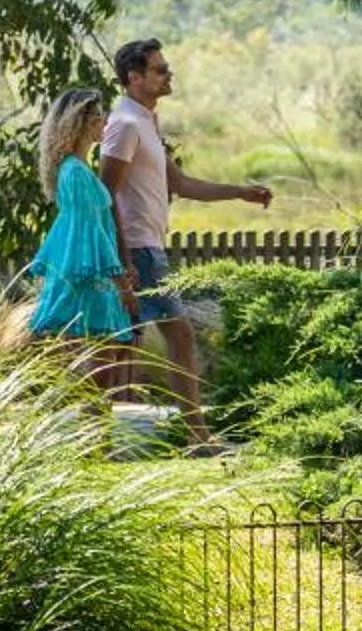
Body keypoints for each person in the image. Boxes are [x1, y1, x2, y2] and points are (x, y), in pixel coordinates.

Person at [99, 37, 272, 446]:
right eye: (159, 70)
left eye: (166, 67)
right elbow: (105, 198)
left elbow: (179, 183)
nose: (168, 74)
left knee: (120, 344)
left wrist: (239, 192)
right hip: (138, 250)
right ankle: (198, 438)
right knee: (177, 336)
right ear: (134, 77)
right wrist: (122, 260)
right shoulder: (123, 125)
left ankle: (106, 438)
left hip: (147, 248)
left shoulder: (144, 121)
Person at [26, 88, 140, 397]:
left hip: (92, 277)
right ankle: (91, 440)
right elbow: (92, 235)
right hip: (88, 280)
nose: (105, 123)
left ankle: (94, 439)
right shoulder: (75, 173)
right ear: (80, 123)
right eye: (99, 117)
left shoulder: (78, 170)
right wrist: (123, 284)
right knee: (95, 375)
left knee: (98, 371)